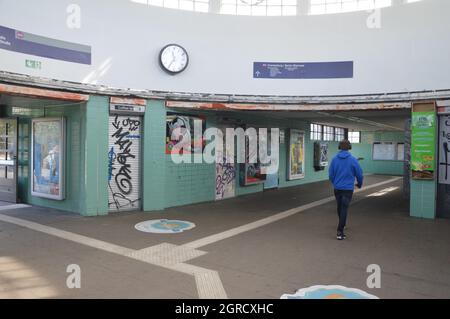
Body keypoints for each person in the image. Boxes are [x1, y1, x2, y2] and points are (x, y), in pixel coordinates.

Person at [328, 140, 363, 241]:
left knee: (340, 207)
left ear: (339, 147)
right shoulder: (353, 160)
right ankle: (340, 231)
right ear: (350, 147)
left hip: (337, 188)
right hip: (347, 189)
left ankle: (342, 224)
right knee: (344, 208)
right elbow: (359, 174)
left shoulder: (334, 159)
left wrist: (335, 183)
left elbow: (331, 175)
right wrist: (359, 184)